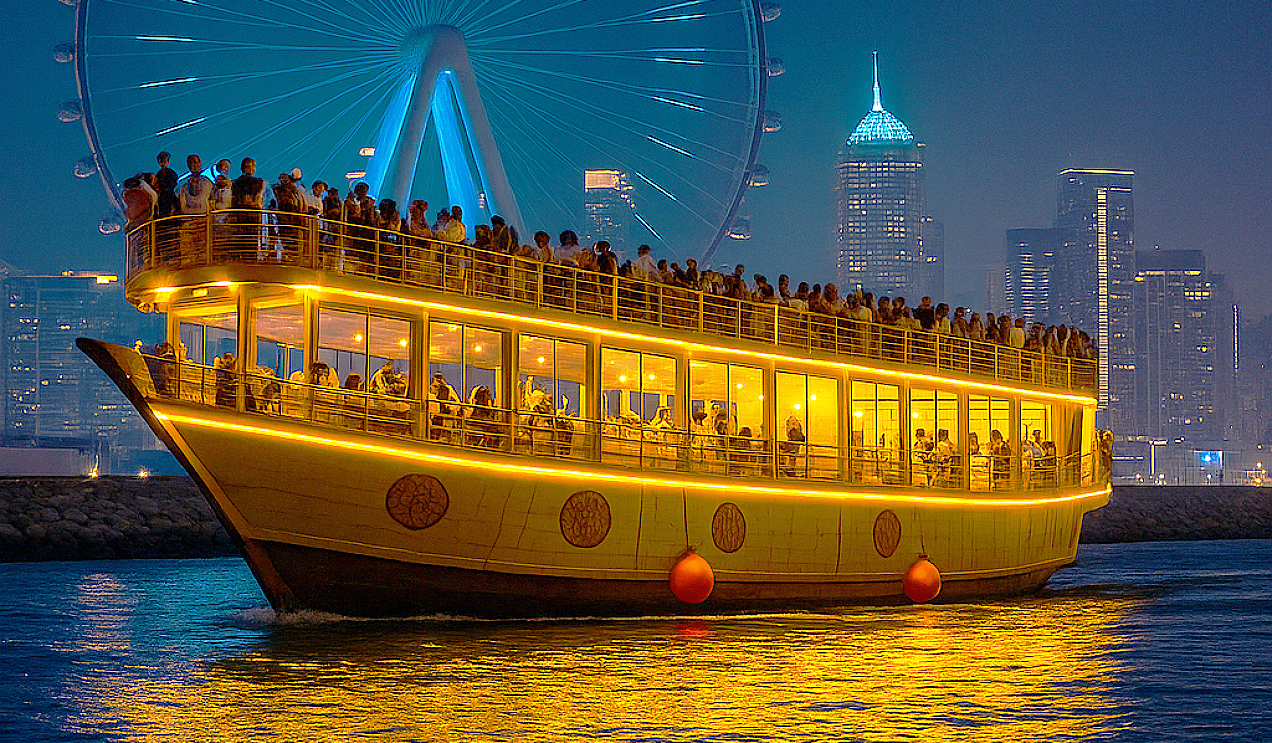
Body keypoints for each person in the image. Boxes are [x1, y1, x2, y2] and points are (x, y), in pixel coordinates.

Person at [176, 154, 213, 264]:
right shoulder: (184, 184)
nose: (193, 165)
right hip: (188, 219)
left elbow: (205, 196)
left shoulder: (206, 182)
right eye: (190, 163)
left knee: (203, 249)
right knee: (188, 250)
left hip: (202, 218)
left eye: (195, 162)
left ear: (199, 163)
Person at [428, 372, 459, 441]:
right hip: (436, 413)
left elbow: (456, 401)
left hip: (443, 413)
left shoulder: (447, 388)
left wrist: (450, 407)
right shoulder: (429, 390)